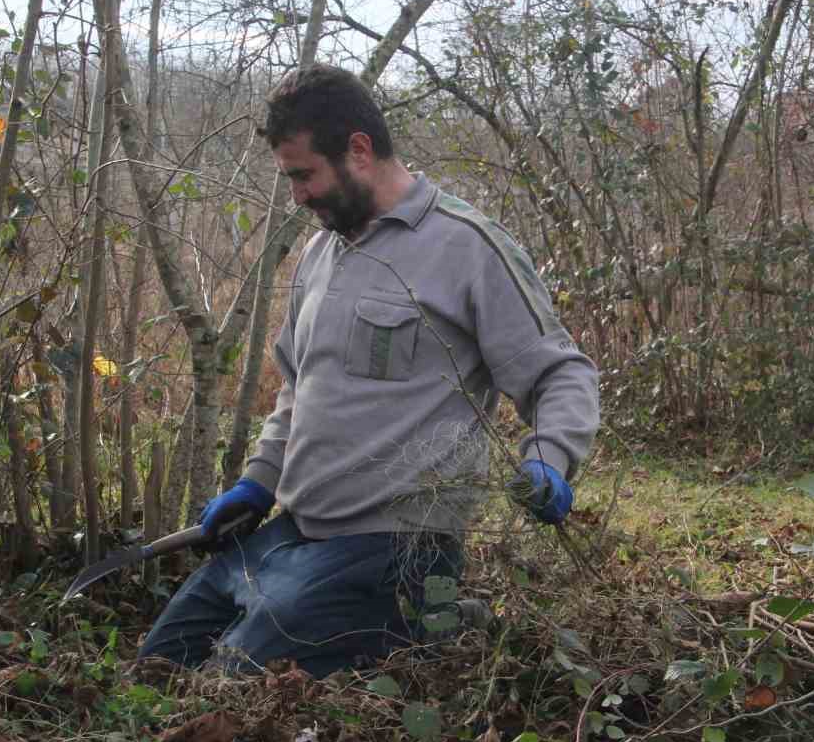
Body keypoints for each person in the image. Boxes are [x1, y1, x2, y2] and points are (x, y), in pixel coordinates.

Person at [137, 64, 600, 678]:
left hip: (396, 546)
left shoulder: (466, 247)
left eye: (305, 176)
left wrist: (550, 459)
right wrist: (259, 481)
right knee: (160, 664)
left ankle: (440, 619)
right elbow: (297, 387)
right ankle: (424, 622)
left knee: (236, 683)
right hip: (294, 529)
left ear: (358, 149)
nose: (298, 196)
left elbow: (560, 374)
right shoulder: (322, 249)